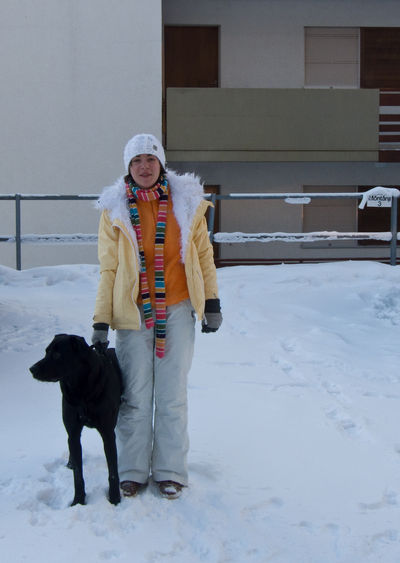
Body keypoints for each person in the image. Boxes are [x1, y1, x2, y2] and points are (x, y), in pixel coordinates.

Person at [91, 133, 222, 499]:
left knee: (171, 395)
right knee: (134, 395)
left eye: (150, 159)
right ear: (128, 169)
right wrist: (101, 320)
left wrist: (211, 302)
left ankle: (170, 470)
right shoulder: (114, 211)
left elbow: (203, 255)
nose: (144, 167)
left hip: (177, 308)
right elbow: (109, 269)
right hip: (132, 313)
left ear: (161, 163)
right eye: (136, 161)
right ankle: (131, 470)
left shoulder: (187, 204)